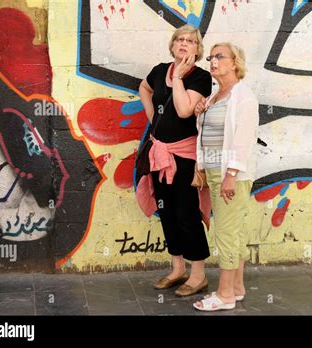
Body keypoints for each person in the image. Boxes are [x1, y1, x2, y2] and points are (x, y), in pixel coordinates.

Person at [137, 24, 212, 296]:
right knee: (166, 212)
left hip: (185, 157)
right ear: (172, 45)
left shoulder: (200, 78)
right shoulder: (159, 71)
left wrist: (179, 78)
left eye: (190, 41)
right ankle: (178, 268)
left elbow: (183, 111)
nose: (183, 44)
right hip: (159, 154)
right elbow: (144, 88)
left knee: (187, 215)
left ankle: (198, 274)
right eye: (179, 39)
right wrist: (152, 117)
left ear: (197, 49)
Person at [192, 43, 259, 311]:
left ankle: (225, 295)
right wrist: (201, 111)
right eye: (211, 57)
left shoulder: (242, 97)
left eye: (220, 56)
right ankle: (238, 288)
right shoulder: (215, 97)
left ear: (235, 62)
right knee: (236, 231)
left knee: (226, 233)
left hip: (230, 174)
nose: (213, 61)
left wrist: (231, 175)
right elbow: (207, 134)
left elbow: (242, 140)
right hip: (214, 172)